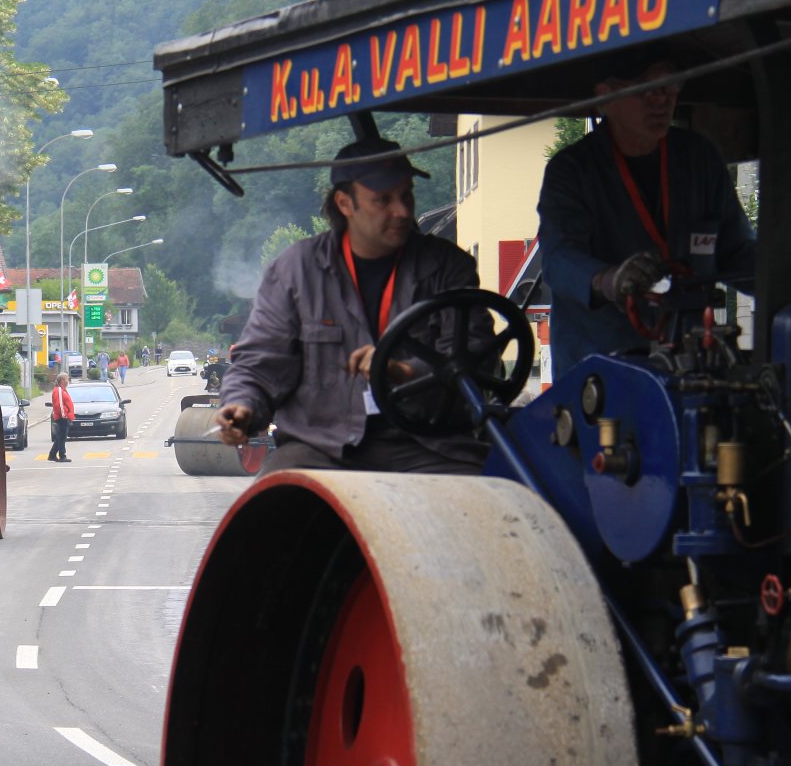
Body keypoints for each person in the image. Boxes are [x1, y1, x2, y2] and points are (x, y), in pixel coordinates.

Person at [215, 136, 488, 475]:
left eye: (406, 195)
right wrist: (241, 404)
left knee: (492, 498)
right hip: (320, 447)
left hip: (430, 445)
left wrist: (406, 372)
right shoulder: (294, 270)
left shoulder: (449, 267)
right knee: (273, 501)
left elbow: (475, 358)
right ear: (345, 203)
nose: (402, 211)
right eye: (383, 200)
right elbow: (260, 362)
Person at [538, 49, 755, 369]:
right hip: (601, 369)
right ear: (605, 96)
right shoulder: (572, 170)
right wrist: (609, 280)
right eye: (645, 87)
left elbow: (738, 253)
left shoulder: (700, 159)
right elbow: (558, 259)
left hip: (688, 361)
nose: (662, 99)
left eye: (670, 85)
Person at [48, 373, 74, 462]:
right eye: (67, 379)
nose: (68, 381)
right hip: (62, 417)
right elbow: (59, 404)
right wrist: (64, 415)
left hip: (64, 416)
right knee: (62, 437)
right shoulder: (59, 390)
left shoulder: (62, 390)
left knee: (60, 436)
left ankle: (52, 454)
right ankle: (62, 455)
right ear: (62, 380)